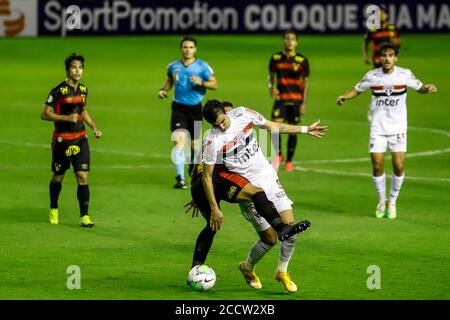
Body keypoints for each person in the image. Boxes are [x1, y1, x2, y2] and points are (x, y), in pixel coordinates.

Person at [200, 100, 327, 292]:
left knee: (290, 229)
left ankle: (282, 271)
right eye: (216, 125)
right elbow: (206, 176)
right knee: (269, 239)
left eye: (222, 121)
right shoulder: (212, 140)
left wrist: (305, 129)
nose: (221, 126)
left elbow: (273, 126)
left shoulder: (243, 114)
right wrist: (214, 208)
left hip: (268, 178)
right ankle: (247, 267)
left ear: (226, 112)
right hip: (247, 189)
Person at [337, 43, 437, 219]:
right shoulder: (372, 76)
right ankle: (382, 200)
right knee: (377, 166)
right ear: (379, 58)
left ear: (395, 58)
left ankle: (392, 201)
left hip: (398, 127)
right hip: (378, 128)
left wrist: (427, 88)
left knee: (398, 166)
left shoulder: (404, 74)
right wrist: (345, 96)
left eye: (390, 55)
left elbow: (419, 87)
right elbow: (357, 89)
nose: (387, 58)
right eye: (384, 55)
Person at [41, 53, 102, 227]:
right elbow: (44, 114)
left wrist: (94, 127)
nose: (77, 70)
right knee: (58, 177)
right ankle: (54, 207)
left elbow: (83, 111)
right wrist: (67, 118)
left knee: (82, 176)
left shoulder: (83, 90)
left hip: (80, 139)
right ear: (68, 70)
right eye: (74, 67)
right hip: (62, 140)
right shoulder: (58, 91)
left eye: (80, 67)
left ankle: (84, 216)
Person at [158, 35, 218, 189]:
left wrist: (202, 82)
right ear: (181, 49)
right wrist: (163, 90)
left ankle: (192, 166)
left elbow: (215, 84)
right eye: (185, 47)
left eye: (191, 47)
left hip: (196, 109)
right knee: (178, 141)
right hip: (178, 107)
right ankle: (180, 178)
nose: (188, 50)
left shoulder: (203, 67)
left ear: (195, 49)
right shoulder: (173, 66)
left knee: (194, 145)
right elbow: (170, 80)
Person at [268, 30, 310, 172]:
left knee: (293, 129)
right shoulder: (275, 58)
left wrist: (304, 103)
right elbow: (270, 76)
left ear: (296, 42)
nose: (290, 41)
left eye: (292, 39)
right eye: (287, 39)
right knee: (274, 127)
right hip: (281, 99)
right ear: (283, 41)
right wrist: (271, 88)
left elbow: (305, 84)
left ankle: (290, 161)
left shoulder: (302, 61)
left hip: (296, 100)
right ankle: (279, 154)